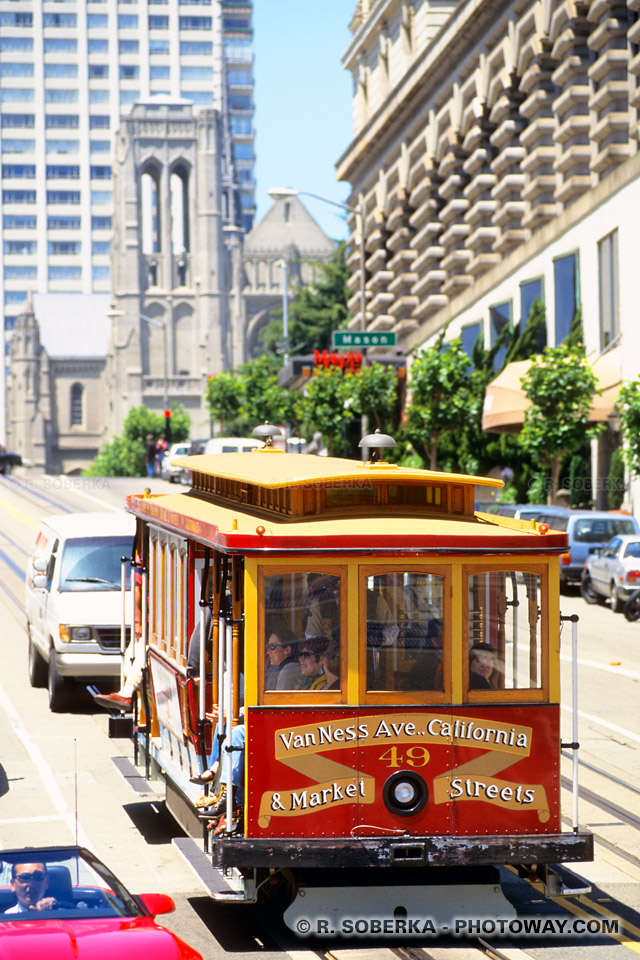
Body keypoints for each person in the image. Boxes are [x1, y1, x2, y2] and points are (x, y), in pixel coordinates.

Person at [264, 625, 301, 690]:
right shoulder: (277, 670)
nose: (268, 652)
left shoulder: (288, 671)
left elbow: (279, 699)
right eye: (268, 646)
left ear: (287, 650)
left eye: (272, 647)